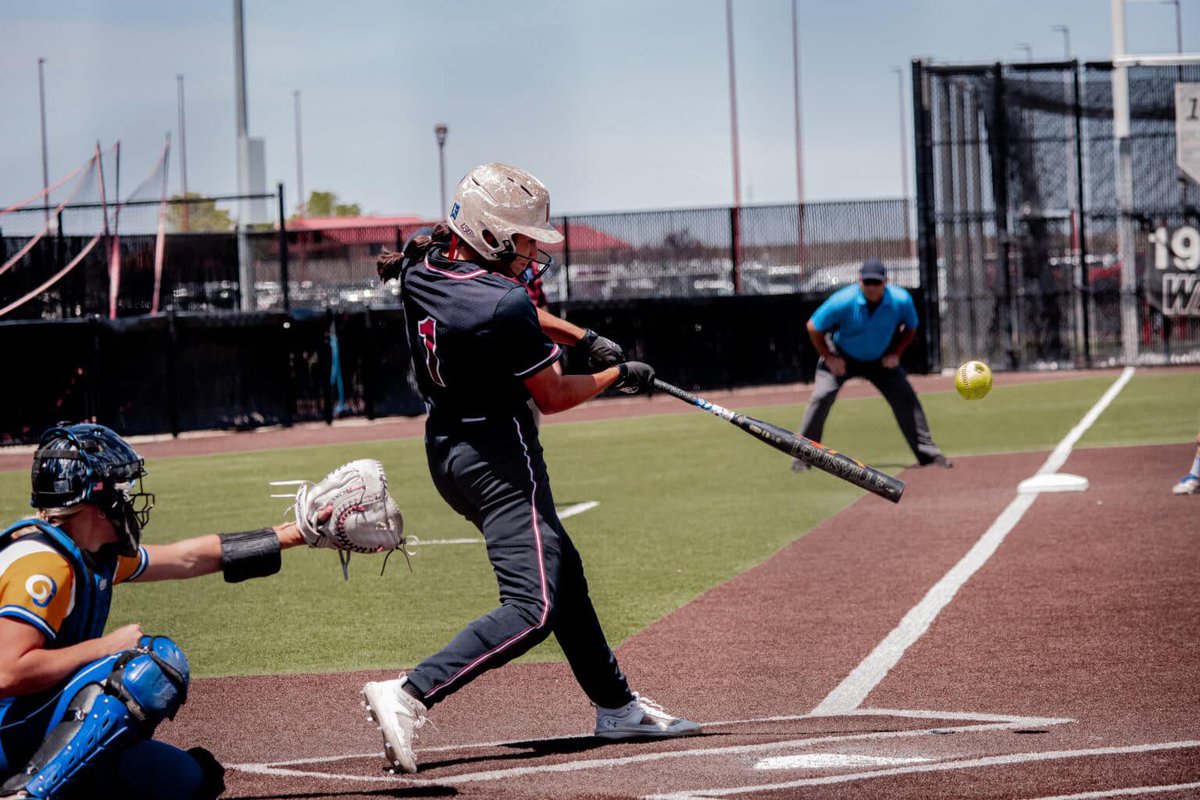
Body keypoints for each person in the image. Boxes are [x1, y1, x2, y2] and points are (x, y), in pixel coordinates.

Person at [365, 163, 699, 775]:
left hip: (448, 450)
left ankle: (617, 708)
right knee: (532, 606)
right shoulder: (505, 299)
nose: (531, 251)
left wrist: (582, 334)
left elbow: (506, 313)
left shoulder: (423, 261)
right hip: (500, 457)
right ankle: (410, 693)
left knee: (561, 572)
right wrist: (616, 376)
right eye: (523, 239)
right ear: (490, 234)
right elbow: (551, 395)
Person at [0, 422, 321, 800]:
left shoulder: (88, 556)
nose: (128, 499)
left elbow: (186, 558)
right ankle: (29, 795)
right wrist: (104, 648)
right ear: (92, 500)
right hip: (9, 729)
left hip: (25, 725)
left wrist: (295, 534)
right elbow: (7, 672)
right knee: (149, 665)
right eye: (120, 489)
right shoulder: (44, 565)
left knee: (189, 778)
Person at [791, 258, 950, 472]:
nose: (872, 288)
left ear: (886, 281)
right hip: (842, 355)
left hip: (880, 357)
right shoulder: (844, 300)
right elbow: (813, 326)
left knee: (906, 398)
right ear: (859, 282)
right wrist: (829, 357)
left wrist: (896, 353)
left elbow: (911, 327)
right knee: (821, 397)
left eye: (876, 283)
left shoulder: (900, 300)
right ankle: (803, 456)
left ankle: (929, 455)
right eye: (867, 283)